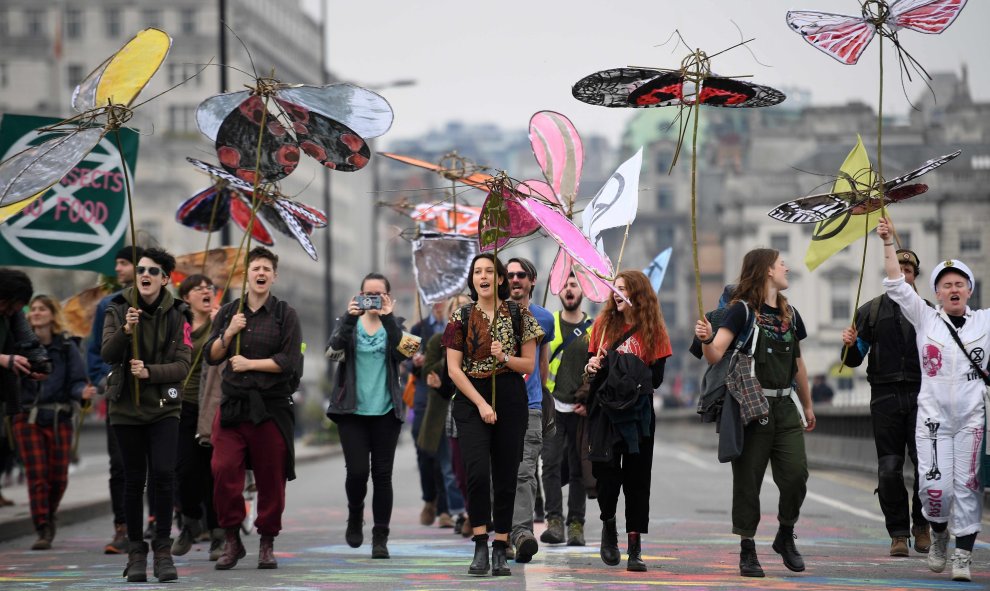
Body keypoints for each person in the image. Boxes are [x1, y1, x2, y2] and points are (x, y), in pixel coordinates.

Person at [877, 217, 987, 583]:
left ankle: (963, 556)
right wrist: (888, 241)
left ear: (969, 290)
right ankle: (938, 535)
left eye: (960, 284)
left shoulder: (984, 324)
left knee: (968, 487)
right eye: (946, 285)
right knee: (934, 490)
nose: (953, 289)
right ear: (937, 292)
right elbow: (896, 283)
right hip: (933, 421)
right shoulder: (926, 319)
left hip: (971, 422)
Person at [695, 248, 816, 578]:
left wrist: (806, 404)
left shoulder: (791, 315)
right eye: (781, 264)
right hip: (751, 407)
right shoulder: (741, 312)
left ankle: (785, 532)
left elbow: (799, 364)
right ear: (766, 271)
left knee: (796, 475)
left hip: (785, 406)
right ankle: (747, 549)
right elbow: (715, 354)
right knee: (747, 482)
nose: (786, 268)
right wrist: (706, 339)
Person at [444, 253, 543, 577]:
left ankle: (501, 545)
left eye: (489, 271)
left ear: (500, 279)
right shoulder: (460, 316)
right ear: (472, 279)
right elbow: (454, 370)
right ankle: (479, 543)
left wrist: (506, 357)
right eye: (477, 271)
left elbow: (529, 365)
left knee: (505, 476)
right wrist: (482, 404)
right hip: (471, 399)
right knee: (475, 474)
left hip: (511, 398)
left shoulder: (520, 315)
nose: (483, 276)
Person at [206, 246, 302, 571]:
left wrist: (250, 364)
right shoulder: (230, 311)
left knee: (271, 477)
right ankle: (231, 538)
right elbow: (211, 354)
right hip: (233, 406)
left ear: (274, 276)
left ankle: (266, 541)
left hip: (270, 408)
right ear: (246, 274)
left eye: (266, 269)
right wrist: (228, 332)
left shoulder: (284, 314)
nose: (261, 274)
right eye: (255, 268)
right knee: (222, 469)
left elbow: (289, 362)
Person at [102, 247, 191, 583]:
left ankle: (163, 551)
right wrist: (126, 331)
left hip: (164, 408)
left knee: (165, 475)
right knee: (133, 479)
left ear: (165, 278)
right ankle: (136, 553)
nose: (145, 275)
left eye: (153, 271)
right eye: (141, 269)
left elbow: (182, 365)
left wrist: (149, 373)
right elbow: (107, 353)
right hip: (126, 408)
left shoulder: (179, 314)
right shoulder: (118, 308)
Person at [839, 247, 931, 557]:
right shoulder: (870, 312)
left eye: (908, 271)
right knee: (889, 468)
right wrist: (849, 346)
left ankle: (922, 524)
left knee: (926, 465)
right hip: (885, 396)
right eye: (898, 270)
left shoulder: (928, 311)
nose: (902, 275)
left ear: (914, 277)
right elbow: (853, 360)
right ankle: (898, 533)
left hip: (923, 396)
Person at [584, 270, 671, 572]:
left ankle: (635, 547)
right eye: (614, 288)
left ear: (637, 294)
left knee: (637, 482)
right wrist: (594, 365)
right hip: (606, 413)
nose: (616, 294)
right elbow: (593, 373)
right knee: (606, 476)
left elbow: (656, 379)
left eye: (623, 289)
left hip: (638, 413)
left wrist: (622, 366)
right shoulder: (602, 325)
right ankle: (609, 525)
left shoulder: (654, 330)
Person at [326, 273, 409, 559]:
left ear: (388, 297)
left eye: (379, 295)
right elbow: (333, 351)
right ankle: (355, 514)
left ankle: (380, 537)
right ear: (359, 295)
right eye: (368, 294)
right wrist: (349, 319)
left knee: (383, 476)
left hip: (386, 411)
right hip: (352, 411)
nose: (373, 300)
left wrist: (388, 317)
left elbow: (404, 355)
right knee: (358, 472)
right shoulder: (345, 322)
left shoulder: (396, 325)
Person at [12, 295, 95, 550]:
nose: (36, 313)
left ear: (52, 315)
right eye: (33, 309)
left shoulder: (67, 347)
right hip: (28, 417)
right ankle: (43, 527)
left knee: (59, 478)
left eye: (41, 309)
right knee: (38, 477)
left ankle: (49, 514)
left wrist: (81, 392)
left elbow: (77, 380)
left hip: (59, 419)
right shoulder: (18, 346)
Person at [88, 246, 147, 554]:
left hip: (153, 395)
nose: (119, 269)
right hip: (118, 396)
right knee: (120, 465)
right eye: (118, 264)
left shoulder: (163, 304)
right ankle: (122, 527)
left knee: (155, 465)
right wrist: (104, 379)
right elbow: (95, 350)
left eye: (125, 263)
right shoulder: (107, 305)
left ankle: (154, 521)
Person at [505, 257, 555, 563]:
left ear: (531, 280)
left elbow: (543, 363)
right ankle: (503, 533)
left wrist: (539, 394)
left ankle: (522, 534)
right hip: (498, 408)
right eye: (509, 275)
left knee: (524, 473)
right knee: (501, 474)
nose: (514, 279)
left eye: (520, 274)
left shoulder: (544, 319)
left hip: (531, 406)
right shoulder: (493, 315)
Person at [171, 274, 224, 560]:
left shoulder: (223, 321)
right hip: (181, 406)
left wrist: (223, 327)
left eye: (209, 287)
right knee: (183, 470)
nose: (206, 290)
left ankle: (218, 533)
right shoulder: (178, 326)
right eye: (198, 288)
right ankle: (190, 521)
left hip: (212, 406)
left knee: (213, 472)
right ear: (186, 297)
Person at [541, 272, 594, 547]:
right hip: (552, 407)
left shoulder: (593, 329)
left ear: (582, 290)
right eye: (564, 286)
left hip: (579, 409)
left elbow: (599, 370)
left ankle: (576, 524)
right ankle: (554, 521)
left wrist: (590, 400)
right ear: (558, 292)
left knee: (577, 468)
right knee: (549, 464)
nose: (569, 290)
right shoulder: (548, 323)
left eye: (574, 285)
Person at [418, 295, 472, 536]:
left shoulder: (479, 337)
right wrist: (442, 366)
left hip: (477, 410)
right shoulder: (438, 341)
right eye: (455, 307)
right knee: (451, 469)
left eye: (465, 305)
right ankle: (461, 513)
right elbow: (431, 376)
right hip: (445, 412)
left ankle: (474, 512)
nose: (460, 310)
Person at [0, 270, 51, 509]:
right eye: (9, 305)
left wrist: (39, 362)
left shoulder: (12, 312)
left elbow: (27, 340)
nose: (10, 312)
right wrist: (2, 359)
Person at [407, 301, 449, 527]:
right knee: (425, 449)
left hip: (447, 394)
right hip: (425, 395)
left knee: (446, 453)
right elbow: (405, 361)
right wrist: (415, 362)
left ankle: (445, 508)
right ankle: (429, 499)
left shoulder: (456, 324)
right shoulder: (418, 328)